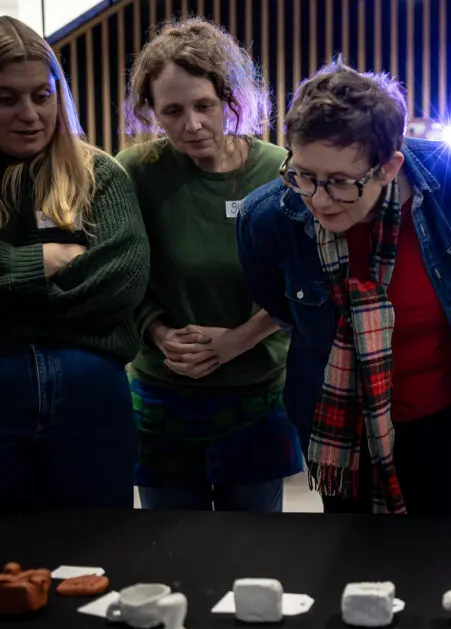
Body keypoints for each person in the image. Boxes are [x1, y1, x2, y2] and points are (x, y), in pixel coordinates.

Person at [236, 60, 451, 515]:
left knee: (437, 546)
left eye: (339, 182)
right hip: (337, 420)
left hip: (439, 414)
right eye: (303, 174)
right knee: (349, 548)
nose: (318, 199)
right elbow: (281, 308)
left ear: (389, 167)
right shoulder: (268, 218)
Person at [118, 17, 302, 512]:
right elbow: (122, 278)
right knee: (169, 547)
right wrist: (158, 333)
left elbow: (304, 280)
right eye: (172, 111)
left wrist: (237, 340)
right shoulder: (136, 173)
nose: (192, 124)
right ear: (151, 111)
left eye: (204, 105)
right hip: (162, 395)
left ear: (231, 98)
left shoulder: (280, 171)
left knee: (251, 548)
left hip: (256, 393)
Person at [0, 16, 149, 509]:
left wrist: (10, 291)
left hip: (91, 400)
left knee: (99, 542)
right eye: (6, 99)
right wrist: (40, 263)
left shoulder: (98, 174)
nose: (29, 114)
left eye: (41, 96)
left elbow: (121, 281)